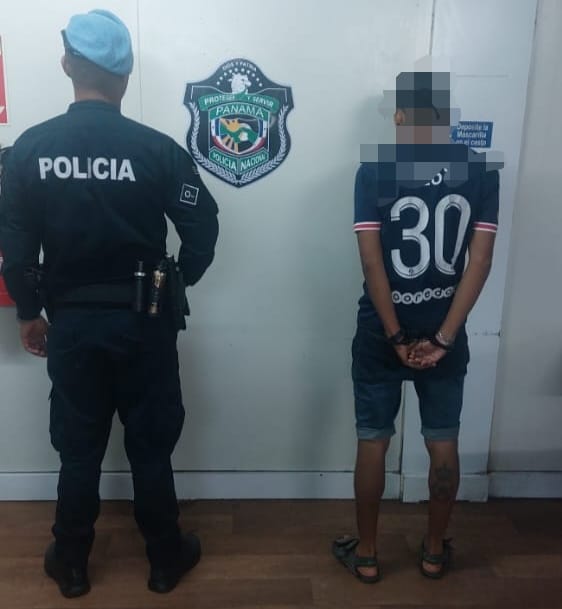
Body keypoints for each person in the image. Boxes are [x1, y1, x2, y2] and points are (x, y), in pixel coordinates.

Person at [0, 9, 218, 598]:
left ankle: (71, 563)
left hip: (72, 325)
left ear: (67, 65)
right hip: (146, 321)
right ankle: (165, 559)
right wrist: (177, 283)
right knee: (151, 446)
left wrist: (28, 312)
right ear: (125, 76)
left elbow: (15, 251)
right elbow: (203, 229)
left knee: (78, 449)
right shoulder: (157, 150)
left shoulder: (30, 151)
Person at [332, 71, 500, 582]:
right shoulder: (480, 171)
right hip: (445, 332)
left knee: (373, 441)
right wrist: (444, 338)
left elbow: (372, 264)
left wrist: (396, 336)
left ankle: (366, 555)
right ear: (445, 115)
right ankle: (431, 552)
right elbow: (480, 263)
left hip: (381, 335)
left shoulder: (373, 172)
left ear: (401, 115)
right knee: (443, 441)